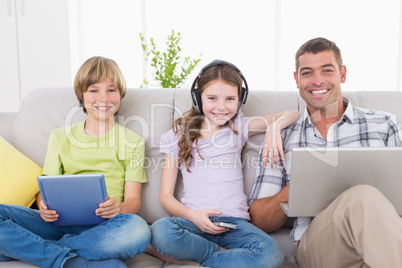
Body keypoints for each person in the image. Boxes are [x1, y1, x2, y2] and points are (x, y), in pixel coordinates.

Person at [249, 37, 402, 268]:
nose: (317, 80)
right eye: (307, 72)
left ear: (342, 74)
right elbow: (259, 220)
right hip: (318, 246)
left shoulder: (384, 124)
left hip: (383, 238)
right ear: (297, 79)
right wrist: (292, 191)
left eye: (327, 70)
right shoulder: (282, 138)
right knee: (362, 196)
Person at [0, 56, 151, 268]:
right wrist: (43, 205)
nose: (103, 98)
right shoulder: (59, 137)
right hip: (57, 224)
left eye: (111, 90)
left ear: (120, 94)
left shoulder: (132, 141)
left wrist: (118, 209)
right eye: (93, 90)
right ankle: (70, 260)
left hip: (104, 228)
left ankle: (40, 249)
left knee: (138, 230)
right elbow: (45, 188)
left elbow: (134, 201)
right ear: (82, 94)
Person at [149, 60, 301, 268]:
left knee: (272, 253)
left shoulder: (238, 126)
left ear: (240, 100)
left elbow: (294, 114)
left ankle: (200, 259)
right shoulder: (177, 136)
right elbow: (165, 197)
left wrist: (274, 127)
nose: (221, 107)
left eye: (230, 99)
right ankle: (224, 257)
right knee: (161, 231)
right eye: (212, 98)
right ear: (198, 97)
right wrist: (193, 216)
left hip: (234, 224)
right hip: (193, 222)